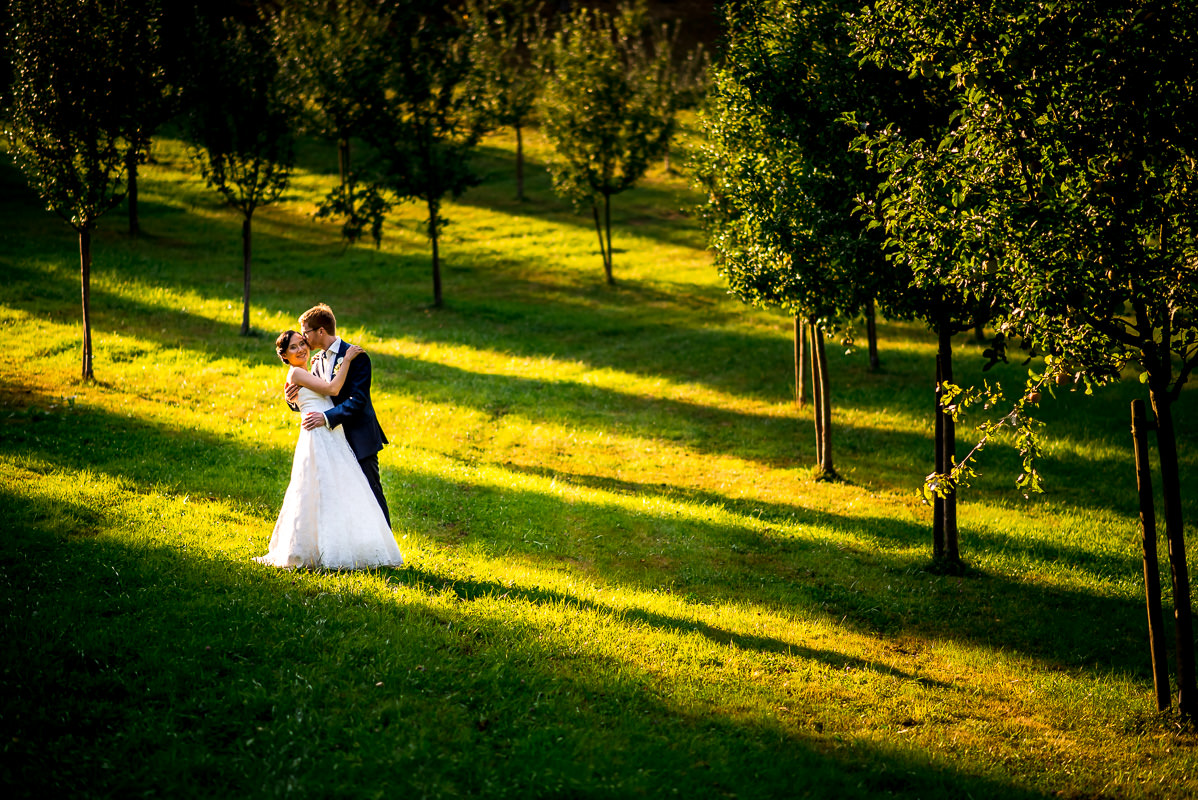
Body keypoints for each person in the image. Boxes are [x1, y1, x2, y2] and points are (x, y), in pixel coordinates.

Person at [256, 329, 403, 569]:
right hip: (320, 435)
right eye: (293, 347)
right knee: (320, 490)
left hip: (337, 435)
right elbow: (332, 390)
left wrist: (295, 398)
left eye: (303, 342)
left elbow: (326, 395)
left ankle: (372, 546)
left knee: (353, 491)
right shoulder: (298, 372)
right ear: (283, 355)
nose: (301, 348)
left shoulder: (311, 367)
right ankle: (329, 547)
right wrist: (345, 361)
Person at [286, 303, 391, 525]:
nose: (304, 339)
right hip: (334, 441)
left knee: (372, 492)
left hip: (358, 435)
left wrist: (326, 418)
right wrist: (292, 400)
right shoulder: (317, 361)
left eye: (305, 333)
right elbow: (316, 397)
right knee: (347, 497)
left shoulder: (356, 356)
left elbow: (358, 401)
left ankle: (388, 549)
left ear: (320, 331)